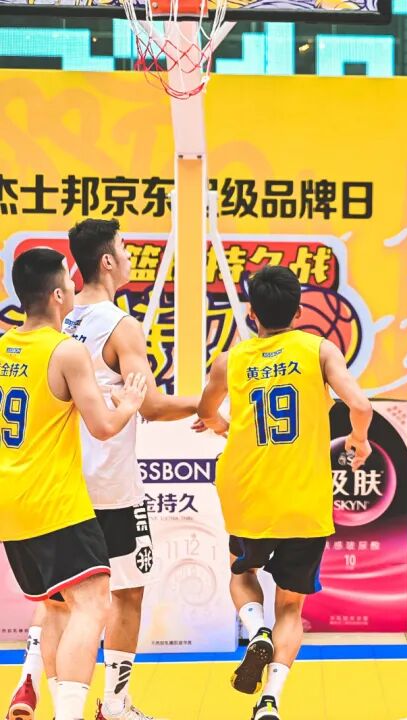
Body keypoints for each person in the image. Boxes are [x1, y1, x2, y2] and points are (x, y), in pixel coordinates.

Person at [35, 218, 206, 720]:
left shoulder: (59, 320)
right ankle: (114, 704)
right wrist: (210, 403)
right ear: (107, 261)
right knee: (126, 596)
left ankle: (59, 704)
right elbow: (150, 405)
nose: (131, 257)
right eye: (125, 249)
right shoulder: (120, 325)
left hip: (62, 485)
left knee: (62, 607)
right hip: (110, 489)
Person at [197, 265, 373, 720]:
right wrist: (359, 440)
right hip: (304, 498)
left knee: (242, 573)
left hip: (248, 492)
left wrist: (224, 426)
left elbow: (206, 410)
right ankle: (270, 700)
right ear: (298, 313)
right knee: (291, 606)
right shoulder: (320, 350)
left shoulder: (230, 360)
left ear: (252, 314)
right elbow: (360, 404)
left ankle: (256, 630)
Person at [1, 247, 146, 720]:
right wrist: (129, 404)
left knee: (58, 607)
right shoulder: (65, 350)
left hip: (11, 506)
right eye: (68, 280)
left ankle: (41, 692)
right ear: (58, 294)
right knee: (93, 604)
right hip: (54, 501)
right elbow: (103, 426)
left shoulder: (3, 347)